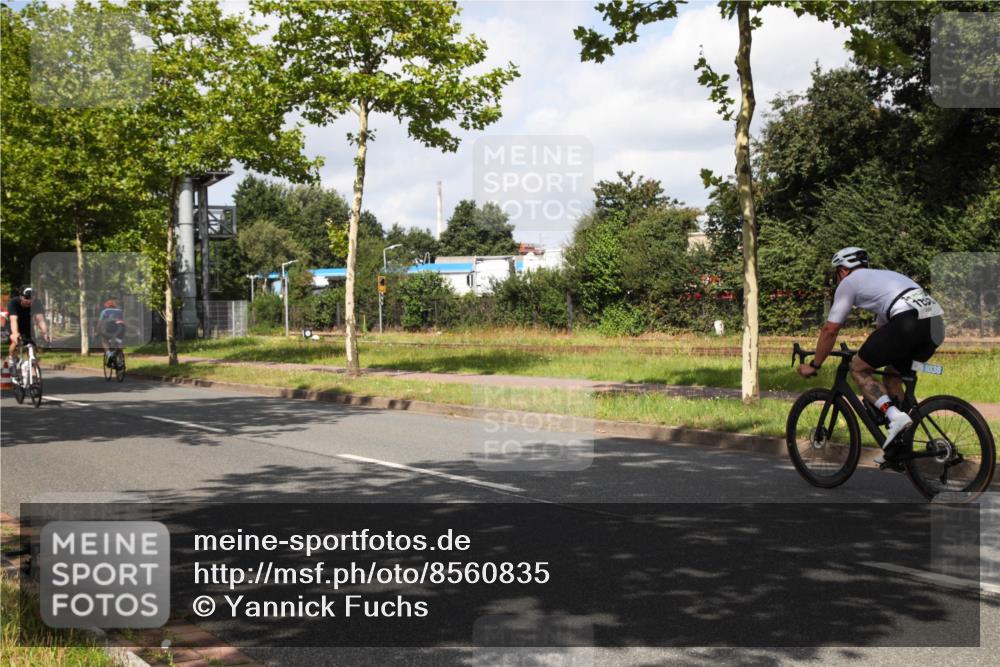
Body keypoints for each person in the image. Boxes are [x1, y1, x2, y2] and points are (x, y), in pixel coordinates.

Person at [797, 248, 945, 467]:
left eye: (837, 272)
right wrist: (868, 351)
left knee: (858, 368)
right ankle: (900, 446)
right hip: (935, 324)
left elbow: (830, 329)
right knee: (892, 376)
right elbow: (883, 334)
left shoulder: (849, 282)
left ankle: (894, 417)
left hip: (907, 322)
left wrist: (815, 364)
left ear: (843, 270)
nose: (837, 277)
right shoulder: (885, 278)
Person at [7, 286, 50, 368]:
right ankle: (12, 358)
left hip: (27, 324)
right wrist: (15, 334)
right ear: (21, 296)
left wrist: (45, 333)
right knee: (15, 342)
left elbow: (40, 320)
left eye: (31, 298)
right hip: (15, 323)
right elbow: (13, 320)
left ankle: (34, 375)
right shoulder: (13, 303)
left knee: (31, 345)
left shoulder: (37, 303)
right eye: (26, 298)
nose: (29, 301)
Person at [97, 298, 126, 366]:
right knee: (119, 342)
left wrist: (97, 330)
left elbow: (100, 322)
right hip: (120, 327)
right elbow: (122, 320)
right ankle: (120, 357)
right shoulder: (120, 311)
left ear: (107, 305)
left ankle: (109, 354)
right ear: (115, 306)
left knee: (104, 340)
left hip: (109, 328)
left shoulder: (105, 311)